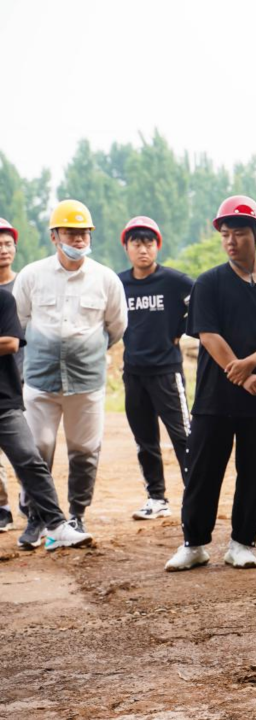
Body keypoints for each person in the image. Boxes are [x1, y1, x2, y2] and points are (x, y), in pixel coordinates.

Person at [165, 196, 256, 572]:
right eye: (225, 234)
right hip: (214, 396)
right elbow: (207, 334)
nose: (231, 241)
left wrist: (251, 364)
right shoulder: (209, 282)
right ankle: (194, 544)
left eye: (239, 233)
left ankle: (242, 543)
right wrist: (239, 373)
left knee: (254, 473)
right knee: (203, 471)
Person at [13, 200, 127, 543]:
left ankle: (77, 515)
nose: (78, 239)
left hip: (86, 381)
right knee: (37, 448)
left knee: (84, 450)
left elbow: (116, 326)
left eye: (83, 233)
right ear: (54, 236)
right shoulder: (32, 276)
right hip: (40, 379)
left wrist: (86, 351)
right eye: (70, 233)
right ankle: (37, 517)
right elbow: (20, 321)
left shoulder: (105, 279)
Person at [0, 280, 93, 551]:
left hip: (4, 401)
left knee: (30, 460)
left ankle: (56, 526)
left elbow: (11, 342)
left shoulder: (3, 300)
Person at [118, 216, 195, 522]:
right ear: (126, 247)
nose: (143, 249)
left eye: (149, 243)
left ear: (157, 246)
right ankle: (156, 498)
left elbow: (203, 304)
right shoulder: (118, 284)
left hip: (166, 371)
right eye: (136, 243)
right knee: (144, 440)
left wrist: (181, 329)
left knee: (184, 436)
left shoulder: (175, 281)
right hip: (133, 372)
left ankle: (196, 495)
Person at [0, 217, 20, 533]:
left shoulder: (24, 285)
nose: (3, 250)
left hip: (26, 375)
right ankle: (2, 507)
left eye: (8, 244)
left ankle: (32, 505)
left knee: (27, 450)